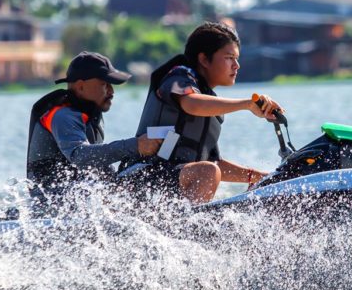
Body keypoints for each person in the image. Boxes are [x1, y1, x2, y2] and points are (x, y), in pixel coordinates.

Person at [122, 22, 282, 203]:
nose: (236, 65)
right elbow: (192, 104)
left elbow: (215, 163)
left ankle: (184, 226)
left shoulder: (210, 100)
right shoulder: (178, 76)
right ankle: (190, 229)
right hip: (138, 178)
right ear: (204, 59)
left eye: (236, 59)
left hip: (164, 181)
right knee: (207, 173)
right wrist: (247, 104)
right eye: (229, 57)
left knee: (210, 169)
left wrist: (258, 176)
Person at [27, 51, 161, 204]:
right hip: (51, 201)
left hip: (80, 195)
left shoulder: (90, 114)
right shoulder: (63, 116)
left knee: (141, 174)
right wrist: (135, 145)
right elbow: (80, 156)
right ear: (81, 87)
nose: (111, 91)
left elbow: (97, 163)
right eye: (105, 84)